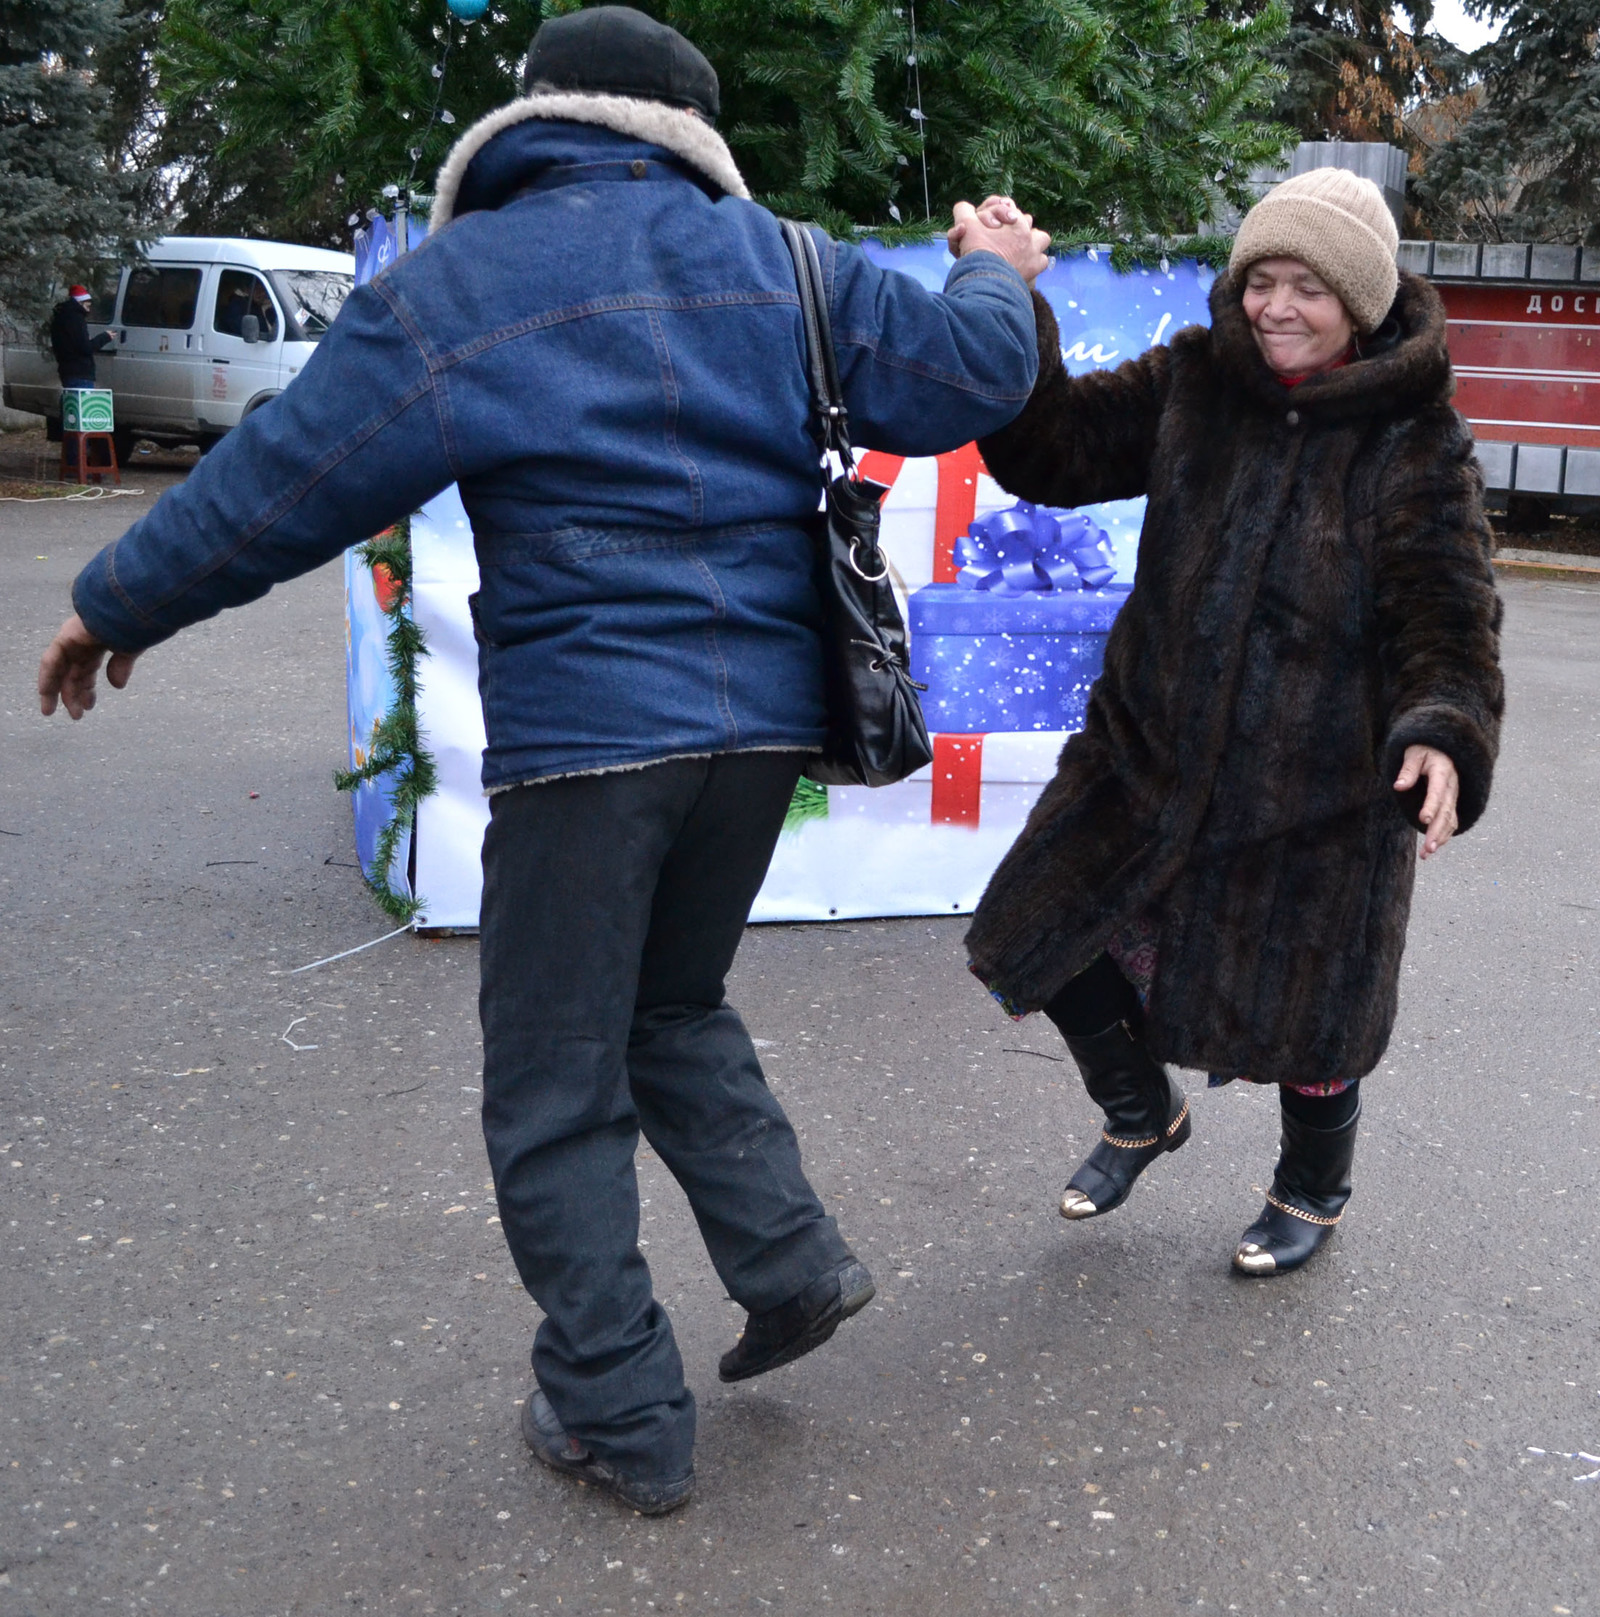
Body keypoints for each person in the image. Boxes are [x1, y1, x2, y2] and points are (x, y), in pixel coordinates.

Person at [38, 6, 1048, 1516]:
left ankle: (617, 1408)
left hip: (591, 742)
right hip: (768, 727)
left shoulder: (466, 284)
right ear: (691, 134)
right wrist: (995, 265)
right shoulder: (791, 263)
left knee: (553, 1084)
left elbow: (283, 476)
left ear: (532, 125)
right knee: (673, 1001)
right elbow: (978, 369)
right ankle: (789, 1261)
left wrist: (118, 602)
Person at [955, 168, 1503, 1278]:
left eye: (1306, 287)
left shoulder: (1415, 439)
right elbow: (1052, 449)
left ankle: (1312, 1187)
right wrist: (1005, 295)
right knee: (1034, 930)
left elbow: (1446, 609)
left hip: (1319, 783)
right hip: (1144, 752)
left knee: (1315, 1018)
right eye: (1261, 280)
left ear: (1357, 301)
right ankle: (1139, 1110)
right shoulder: (1196, 380)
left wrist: (1443, 728)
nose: (1273, 309)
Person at [50, 284, 113, 389]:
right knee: (82, 402)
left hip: (67, 370)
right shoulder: (76, 319)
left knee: (71, 401)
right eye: (87, 306)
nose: (88, 310)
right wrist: (105, 337)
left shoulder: (61, 316)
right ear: (79, 302)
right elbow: (86, 348)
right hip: (80, 372)